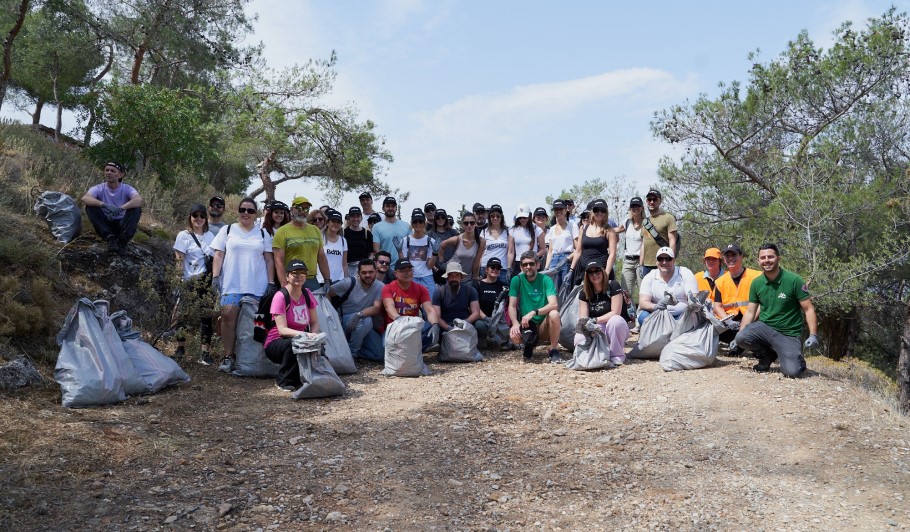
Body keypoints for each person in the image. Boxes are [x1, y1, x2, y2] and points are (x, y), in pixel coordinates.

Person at [210, 197, 275, 373]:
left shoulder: (263, 234)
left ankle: (252, 359)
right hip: (231, 284)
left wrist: (270, 282)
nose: (246, 213)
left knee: (256, 323)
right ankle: (229, 356)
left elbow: (269, 260)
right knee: (228, 316)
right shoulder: (227, 230)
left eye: (250, 210)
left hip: (257, 286)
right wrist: (215, 277)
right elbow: (218, 255)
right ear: (238, 211)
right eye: (243, 209)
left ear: (256, 214)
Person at [732, 244, 818, 377]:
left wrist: (813, 335)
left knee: (792, 372)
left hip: (788, 333)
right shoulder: (756, 283)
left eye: (770, 257)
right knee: (742, 337)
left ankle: (798, 360)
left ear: (778, 258)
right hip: (765, 328)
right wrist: (738, 337)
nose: (767, 260)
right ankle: (767, 355)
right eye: (763, 257)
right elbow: (750, 312)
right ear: (758, 261)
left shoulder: (794, 280)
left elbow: (809, 309)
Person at [263, 259, 320, 391]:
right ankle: (283, 381)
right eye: (295, 273)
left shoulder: (307, 294)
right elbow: (282, 330)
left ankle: (317, 377)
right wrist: (306, 335)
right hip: (277, 342)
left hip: (301, 337)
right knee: (294, 343)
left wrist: (314, 336)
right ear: (287, 276)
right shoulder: (280, 296)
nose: (299, 276)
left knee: (319, 345)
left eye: (302, 273)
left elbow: (315, 322)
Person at [172, 204, 215, 365]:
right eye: (195, 215)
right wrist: (179, 281)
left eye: (201, 216)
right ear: (190, 217)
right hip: (189, 280)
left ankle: (205, 352)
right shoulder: (183, 236)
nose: (198, 219)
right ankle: (180, 349)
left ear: (205, 218)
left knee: (206, 317)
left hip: (205, 281)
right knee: (182, 316)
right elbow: (179, 259)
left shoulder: (210, 236)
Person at [509, 250, 562, 363]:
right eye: (525, 264)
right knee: (514, 336)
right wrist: (514, 323)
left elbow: (554, 304)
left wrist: (534, 312)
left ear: (538, 265)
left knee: (554, 314)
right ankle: (529, 345)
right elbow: (512, 305)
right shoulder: (516, 280)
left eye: (531, 264)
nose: (528, 267)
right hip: (527, 324)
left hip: (543, 324)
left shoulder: (546, 280)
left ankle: (553, 349)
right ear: (521, 267)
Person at [328, 258, 385, 361]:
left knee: (380, 355)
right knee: (367, 321)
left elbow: (376, 308)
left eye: (371, 272)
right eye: (364, 272)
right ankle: (352, 353)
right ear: (358, 273)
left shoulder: (380, 286)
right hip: (344, 320)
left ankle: (350, 349)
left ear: (375, 272)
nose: (368, 275)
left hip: (361, 322)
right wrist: (330, 315)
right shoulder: (348, 283)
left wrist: (359, 314)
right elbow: (327, 294)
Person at [81, 161, 144, 252]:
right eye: (107, 170)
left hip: (121, 225)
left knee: (136, 209)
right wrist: (104, 205)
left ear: (120, 175)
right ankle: (110, 238)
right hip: (106, 225)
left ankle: (123, 241)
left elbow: (139, 200)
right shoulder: (99, 188)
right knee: (90, 207)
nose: (109, 173)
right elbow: (85, 198)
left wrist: (121, 208)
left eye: (112, 171)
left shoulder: (127, 188)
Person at [576, 261, 630, 366]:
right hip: (596, 328)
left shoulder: (613, 285)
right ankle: (595, 355)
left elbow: (616, 312)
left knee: (615, 321)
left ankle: (616, 355)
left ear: (603, 272)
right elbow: (583, 317)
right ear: (587, 276)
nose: (594, 275)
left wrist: (595, 320)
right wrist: (588, 326)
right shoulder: (583, 293)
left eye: (597, 271)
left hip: (614, 326)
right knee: (579, 338)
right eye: (591, 273)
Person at [272, 196, 331, 292]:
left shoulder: (315, 230)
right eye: (299, 208)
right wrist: (284, 285)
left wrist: (327, 280)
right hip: (292, 280)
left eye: (306, 208)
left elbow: (321, 257)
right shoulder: (282, 232)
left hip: (311, 280)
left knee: (317, 306)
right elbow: (278, 261)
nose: (302, 211)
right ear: (291, 210)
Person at [713, 243, 764, 351]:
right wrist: (728, 321)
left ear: (741, 256)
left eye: (734, 255)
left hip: (753, 320)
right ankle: (737, 345)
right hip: (732, 323)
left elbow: (763, 303)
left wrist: (748, 323)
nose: (731, 258)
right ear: (724, 258)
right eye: (727, 256)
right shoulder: (720, 281)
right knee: (711, 329)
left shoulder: (756, 276)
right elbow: (717, 306)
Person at [381, 259, 441, 352]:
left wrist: (435, 324)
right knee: (384, 350)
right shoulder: (388, 287)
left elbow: (429, 309)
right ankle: (411, 350)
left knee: (430, 327)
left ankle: (412, 351)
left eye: (409, 270)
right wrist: (400, 320)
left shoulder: (421, 288)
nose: (407, 273)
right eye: (403, 271)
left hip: (413, 327)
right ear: (396, 273)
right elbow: (389, 307)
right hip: (394, 327)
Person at [637, 246, 698, 325]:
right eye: (660, 259)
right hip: (658, 315)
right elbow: (642, 302)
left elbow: (693, 298)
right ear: (656, 262)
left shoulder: (685, 273)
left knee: (693, 317)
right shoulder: (650, 277)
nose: (664, 262)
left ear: (673, 261)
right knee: (643, 317)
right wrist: (656, 306)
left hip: (681, 315)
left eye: (668, 258)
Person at [432, 261, 486, 343]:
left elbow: (476, 312)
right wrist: (448, 328)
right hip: (446, 324)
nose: (454, 279)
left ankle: (478, 343)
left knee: (481, 326)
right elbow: (437, 317)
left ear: (461, 277)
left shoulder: (470, 290)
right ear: (447, 277)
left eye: (457, 275)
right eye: (451, 275)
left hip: (465, 322)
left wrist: (465, 323)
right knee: (434, 330)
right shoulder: (439, 292)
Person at [569, 198, 618, 284]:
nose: (599, 213)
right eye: (596, 210)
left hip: (602, 272)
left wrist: (606, 273)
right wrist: (571, 270)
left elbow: (612, 254)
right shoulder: (583, 228)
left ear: (606, 212)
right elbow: (578, 251)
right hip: (585, 272)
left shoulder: (610, 230)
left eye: (602, 210)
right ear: (592, 211)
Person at [614, 197, 645, 325]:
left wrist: (642, 264)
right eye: (633, 206)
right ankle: (631, 318)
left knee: (643, 291)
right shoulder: (627, 222)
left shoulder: (646, 223)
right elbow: (616, 230)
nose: (635, 208)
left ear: (642, 208)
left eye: (637, 206)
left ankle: (641, 320)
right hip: (627, 260)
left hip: (640, 261)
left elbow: (644, 244)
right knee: (626, 292)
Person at [473, 257, 512, 350]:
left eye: (498, 268)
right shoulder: (477, 285)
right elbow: (474, 306)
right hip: (483, 319)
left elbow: (508, 305)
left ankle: (503, 341)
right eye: (492, 267)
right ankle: (482, 339)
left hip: (499, 319)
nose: (495, 269)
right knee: (479, 326)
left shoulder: (504, 286)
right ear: (486, 269)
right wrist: (486, 318)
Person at [640, 189, 678, 278]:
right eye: (649, 199)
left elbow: (672, 240)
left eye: (655, 199)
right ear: (646, 201)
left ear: (660, 201)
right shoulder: (645, 221)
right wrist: (640, 264)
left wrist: (670, 260)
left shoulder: (668, 217)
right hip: (647, 266)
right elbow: (643, 244)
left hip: (663, 263)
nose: (652, 202)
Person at [400, 209, 437, 298]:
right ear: (412, 224)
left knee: (429, 306)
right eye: (415, 222)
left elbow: (429, 266)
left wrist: (435, 253)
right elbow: (404, 263)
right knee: (410, 306)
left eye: (420, 221)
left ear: (424, 223)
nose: (418, 224)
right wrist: (399, 251)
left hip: (427, 276)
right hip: (411, 277)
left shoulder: (430, 241)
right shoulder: (405, 241)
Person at [437, 212, 485, 281]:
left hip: (467, 278)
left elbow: (476, 262)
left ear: (475, 223)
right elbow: (441, 246)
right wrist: (442, 264)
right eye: (466, 223)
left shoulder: (481, 242)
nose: (469, 225)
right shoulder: (457, 239)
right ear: (462, 225)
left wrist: (475, 278)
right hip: (452, 276)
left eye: (472, 223)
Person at [544, 199, 577, 292]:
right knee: (552, 290)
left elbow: (578, 249)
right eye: (556, 210)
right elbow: (550, 251)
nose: (558, 212)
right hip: (553, 260)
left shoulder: (572, 226)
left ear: (566, 210)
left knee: (565, 289)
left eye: (561, 209)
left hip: (566, 259)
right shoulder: (552, 229)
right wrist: (546, 267)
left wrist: (568, 261)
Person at [509, 204, 546, 277]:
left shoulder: (537, 229)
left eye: (525, 217)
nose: (522, 219)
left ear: (529, 216)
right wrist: (508, 268)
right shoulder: (513, 230)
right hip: (518, 263)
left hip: (532, 263)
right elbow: (510, 252)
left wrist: (533, 257)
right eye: (520, 217)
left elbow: (543, 249)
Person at [372, 196, 411, 263]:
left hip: (403, 267)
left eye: (393, 206)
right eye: (387, 206)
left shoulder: (407, 226)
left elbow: (411, 248)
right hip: (385, 267)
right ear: (383, 208)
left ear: (396, 208)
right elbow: (376, 250)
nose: (390, 208)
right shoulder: (376, 227)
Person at [480, 204, 511, 283]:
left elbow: (511, 251)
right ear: (489, 218)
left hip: (502, 268)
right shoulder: (484, 232)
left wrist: (509, 268)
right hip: (486, 268)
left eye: (498, 216)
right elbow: (480, 253)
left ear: (501, 217)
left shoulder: (508, 231)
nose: (495, 218)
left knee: (504, 292)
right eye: (492, 216)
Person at [344, 206, 373, 277]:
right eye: (353, 216)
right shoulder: (344, 233)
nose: (355, 219)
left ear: (361, 218)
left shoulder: (367, 233)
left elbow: (371, 253)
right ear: (349, 218)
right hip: (348, 267)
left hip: (363, 269)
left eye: (358, 216)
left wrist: (366, 265)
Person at [322, 209, 348, 284]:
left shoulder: (343, 240)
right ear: (327, 223)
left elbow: (344, 264)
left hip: (339, 280)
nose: (336, 224)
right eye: (333, 221)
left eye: (338, 222)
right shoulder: (320, 238)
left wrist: (346, 280)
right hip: (322, 279)